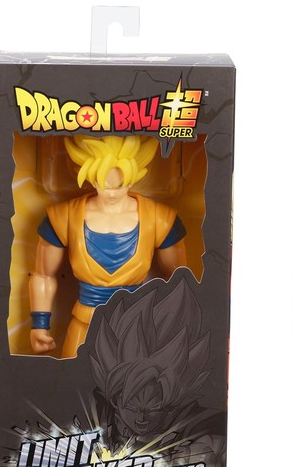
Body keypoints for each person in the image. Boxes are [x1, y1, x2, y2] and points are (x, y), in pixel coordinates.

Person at [29, 135, 187, 358]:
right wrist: (39, 325)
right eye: (104, 183)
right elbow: (43, 275)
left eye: (120, 184)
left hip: (135, 326)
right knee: (72, 377)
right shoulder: (64, 217)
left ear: (133, 178)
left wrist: (177, 326)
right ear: (91, 178)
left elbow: (180, 279)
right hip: (84, 325)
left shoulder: (159, 219)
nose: (112, 192)